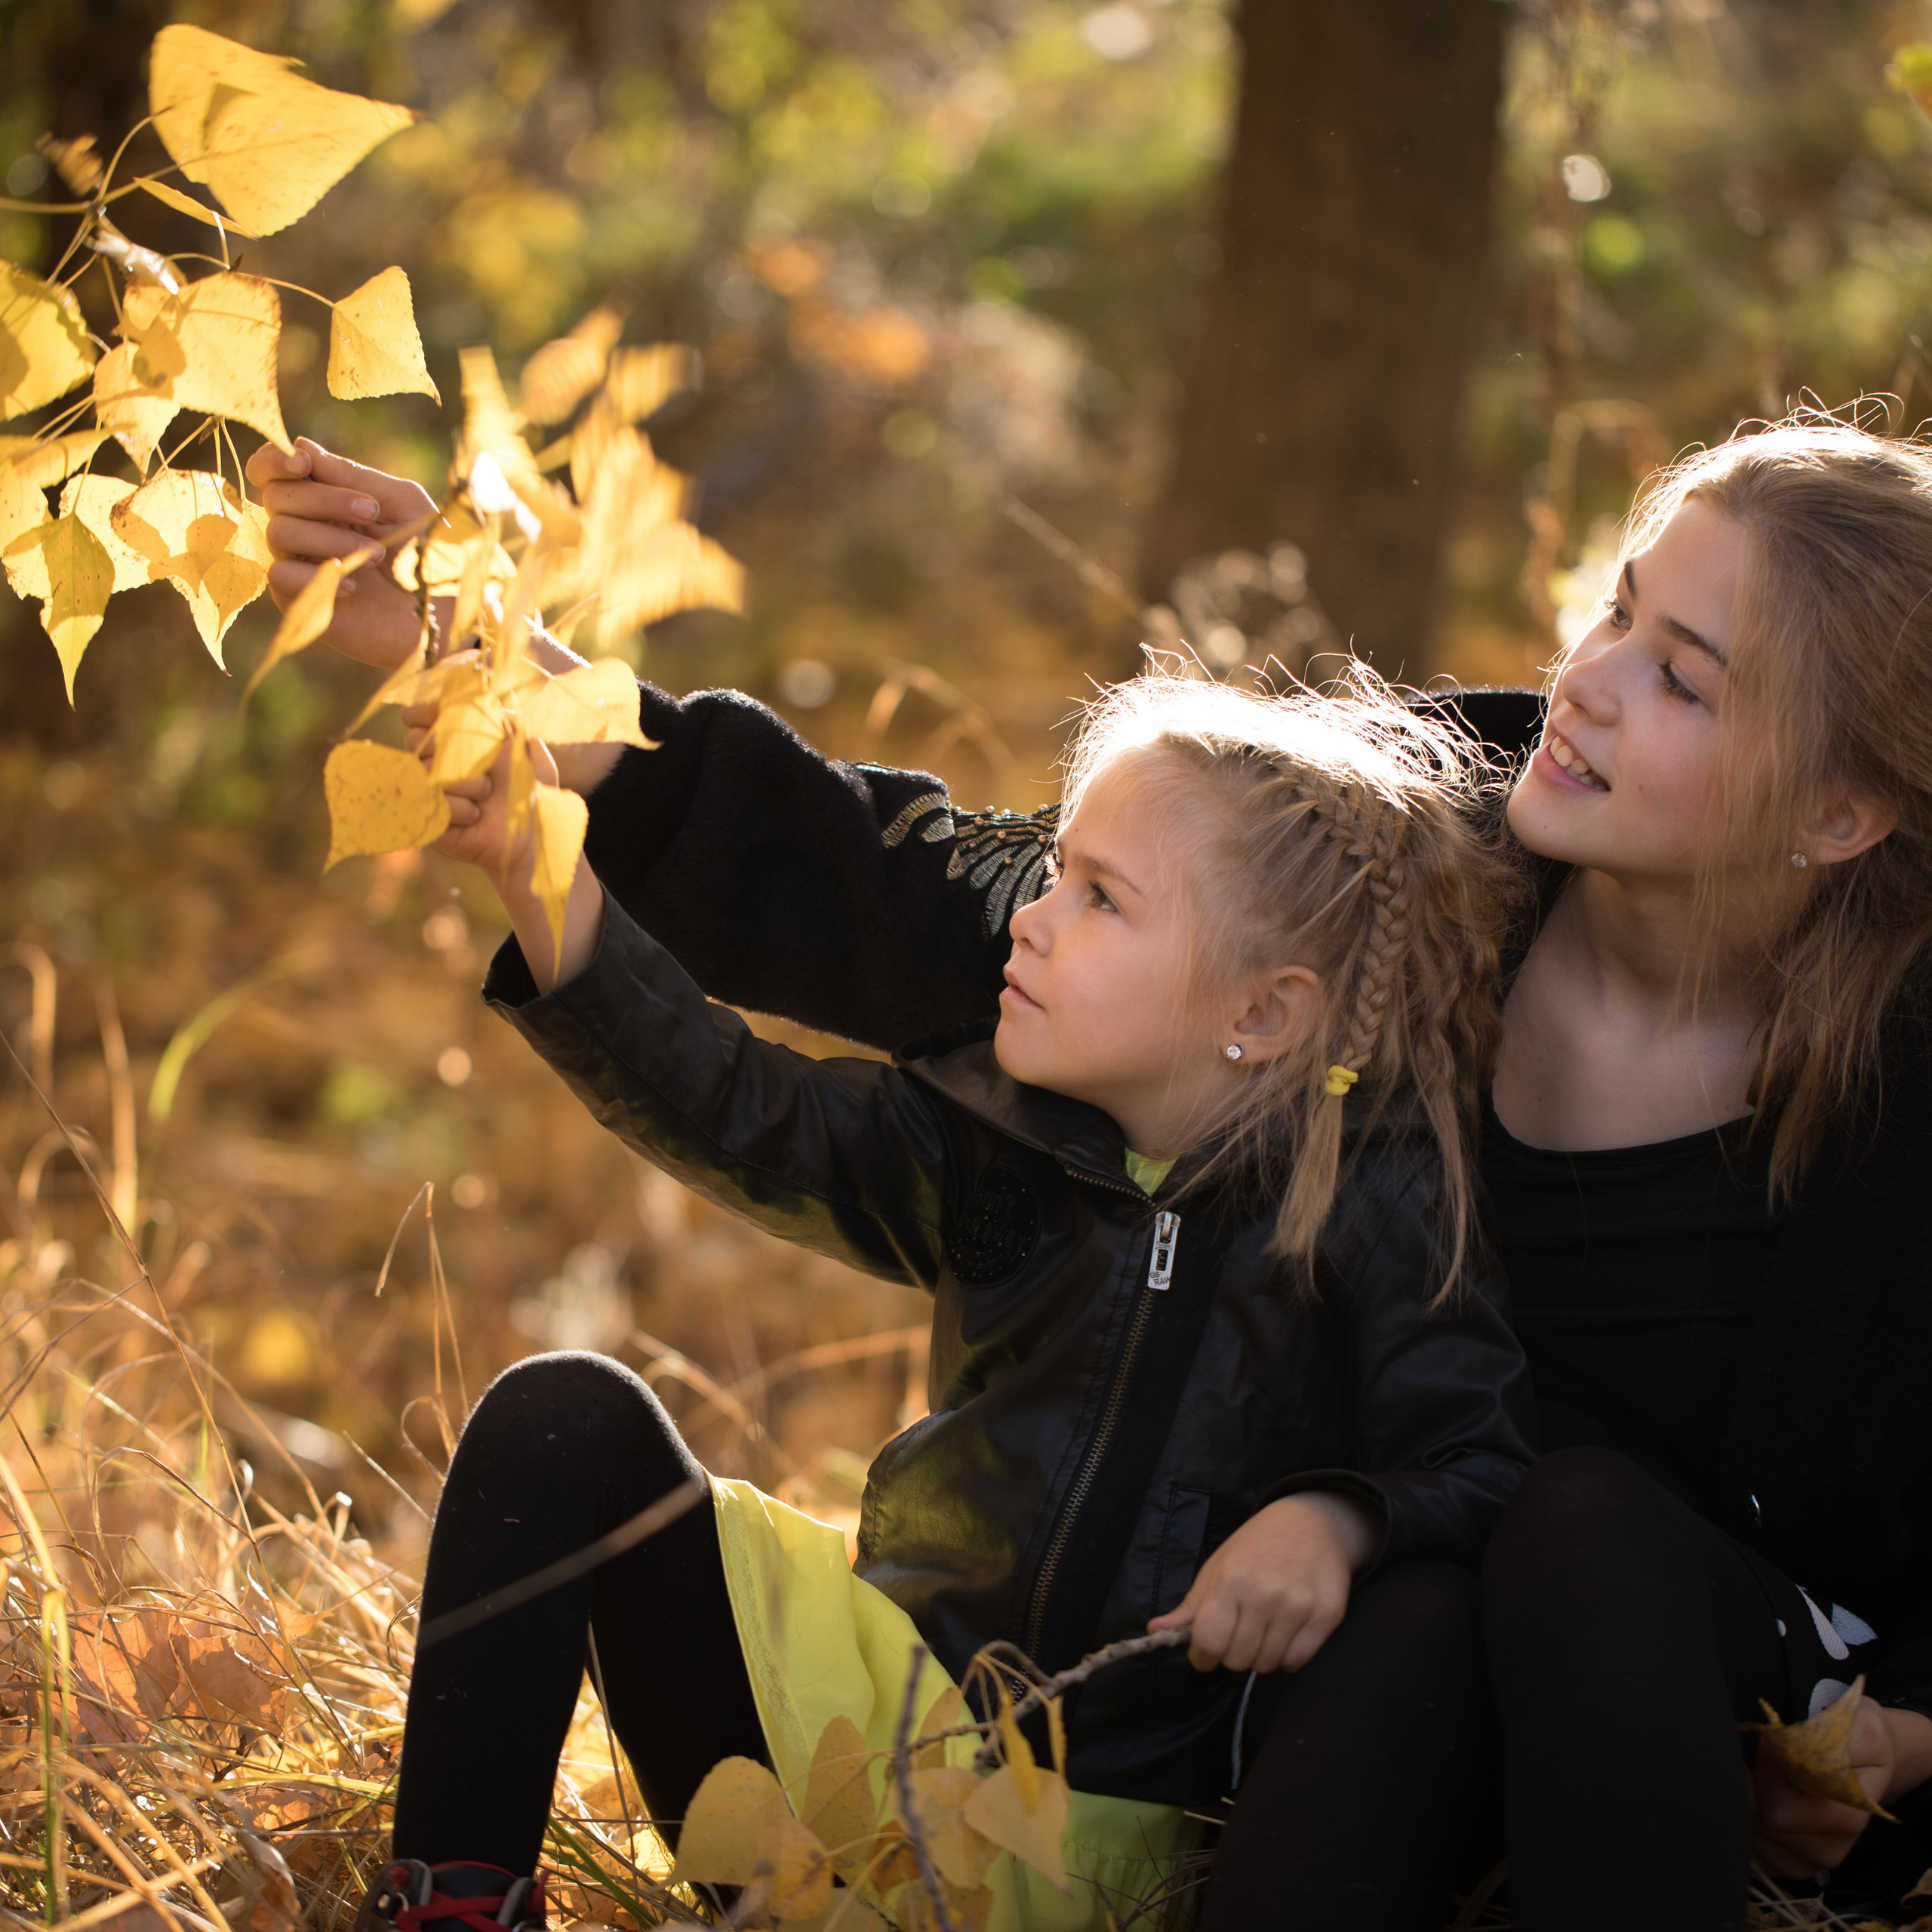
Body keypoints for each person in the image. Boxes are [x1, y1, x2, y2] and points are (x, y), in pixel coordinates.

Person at [251, 413, 1932, 1928]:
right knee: (1428, 1604)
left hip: (1612, 1688)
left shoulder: (1898, 1097)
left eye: (1683, 677)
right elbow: (906, 899)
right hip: (1311, 1682)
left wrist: (1903, 1728)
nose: (1593, 679)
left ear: (1839, 814)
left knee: (1537, 1540)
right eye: (1615, 610)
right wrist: (505, 668)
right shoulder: (1411, 853)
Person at [359, 657, 1536, 1932]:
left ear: (1263, 1010)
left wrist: (1342, 1520)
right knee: (565, 1422)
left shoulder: (1380, 1210)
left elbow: (1483, 1467)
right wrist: (539, 868)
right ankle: (452, 1906)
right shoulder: (999, 1134)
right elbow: (743, 1111)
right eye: (1055, 874)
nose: (1031, 918)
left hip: (1115, 1858)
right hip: (861, 1746)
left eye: (1101, 899)